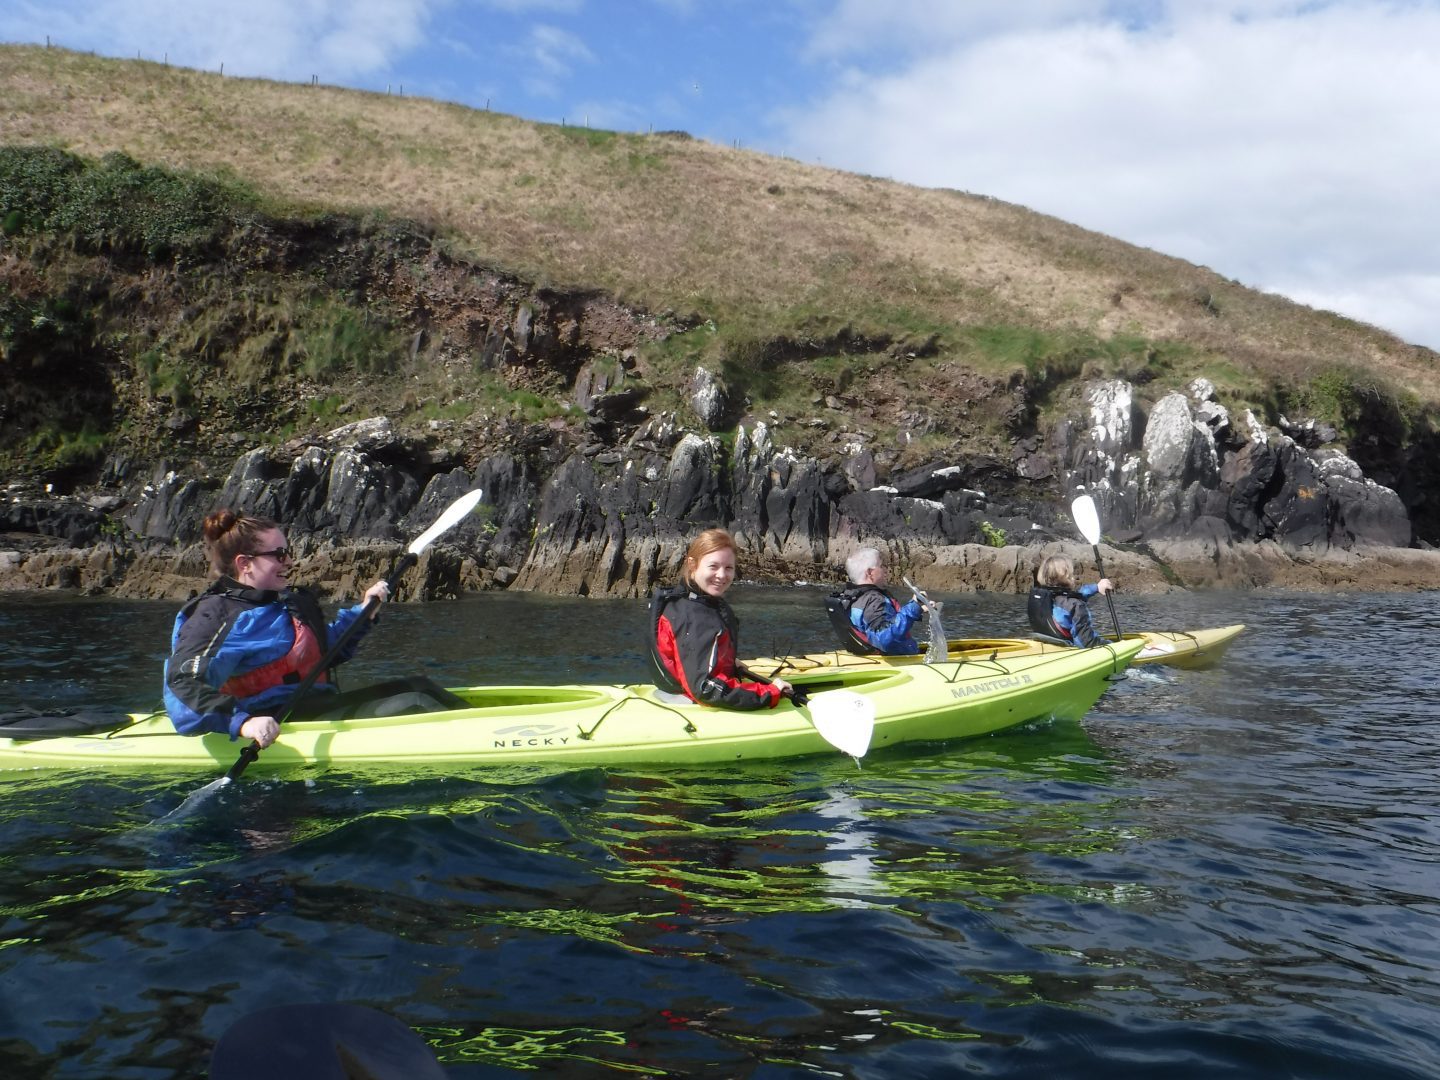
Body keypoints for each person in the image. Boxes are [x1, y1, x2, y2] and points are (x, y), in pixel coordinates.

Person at [164, 509, 451, 748]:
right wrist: (244, 723)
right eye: (278, 554)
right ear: (245, 564)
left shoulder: (286, 602)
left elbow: (325, 653)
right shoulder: (216, 616)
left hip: (316, 706)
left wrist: (365, 612)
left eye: (287, 552)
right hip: (275, 723)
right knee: (418, 699)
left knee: (419, 685)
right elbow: (183, 687)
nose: (289, 561)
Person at [648, 528, 795, 709]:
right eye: (713, 566)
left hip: (670, 693)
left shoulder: (685, 601)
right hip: (693, 701)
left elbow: (690, 654)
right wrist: (770, 692)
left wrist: (726, 661)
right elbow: (705, 688)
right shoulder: (695, 618)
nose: (722, 575)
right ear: (692, 564)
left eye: (728, 568)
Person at [825, 547, 928, 655]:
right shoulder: (874, 600)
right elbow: (883, 638)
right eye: (881, 566)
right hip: (896, 660)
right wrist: (912, 608)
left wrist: (918, 609)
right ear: (870, 572)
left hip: (867, 656)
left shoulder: (852, 597)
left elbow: (883, 620)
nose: (886, 569)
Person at [1027, 554, 1115, 647]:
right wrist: (1112, 645)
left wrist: (1097, 587)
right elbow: (1086, 643)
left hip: (1047, 646)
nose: (1074, 577)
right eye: (1071, 574)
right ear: (1067, 577)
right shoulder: (1076, 605)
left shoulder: (1042, 598)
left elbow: (1074, 598)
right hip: (1069, 652)